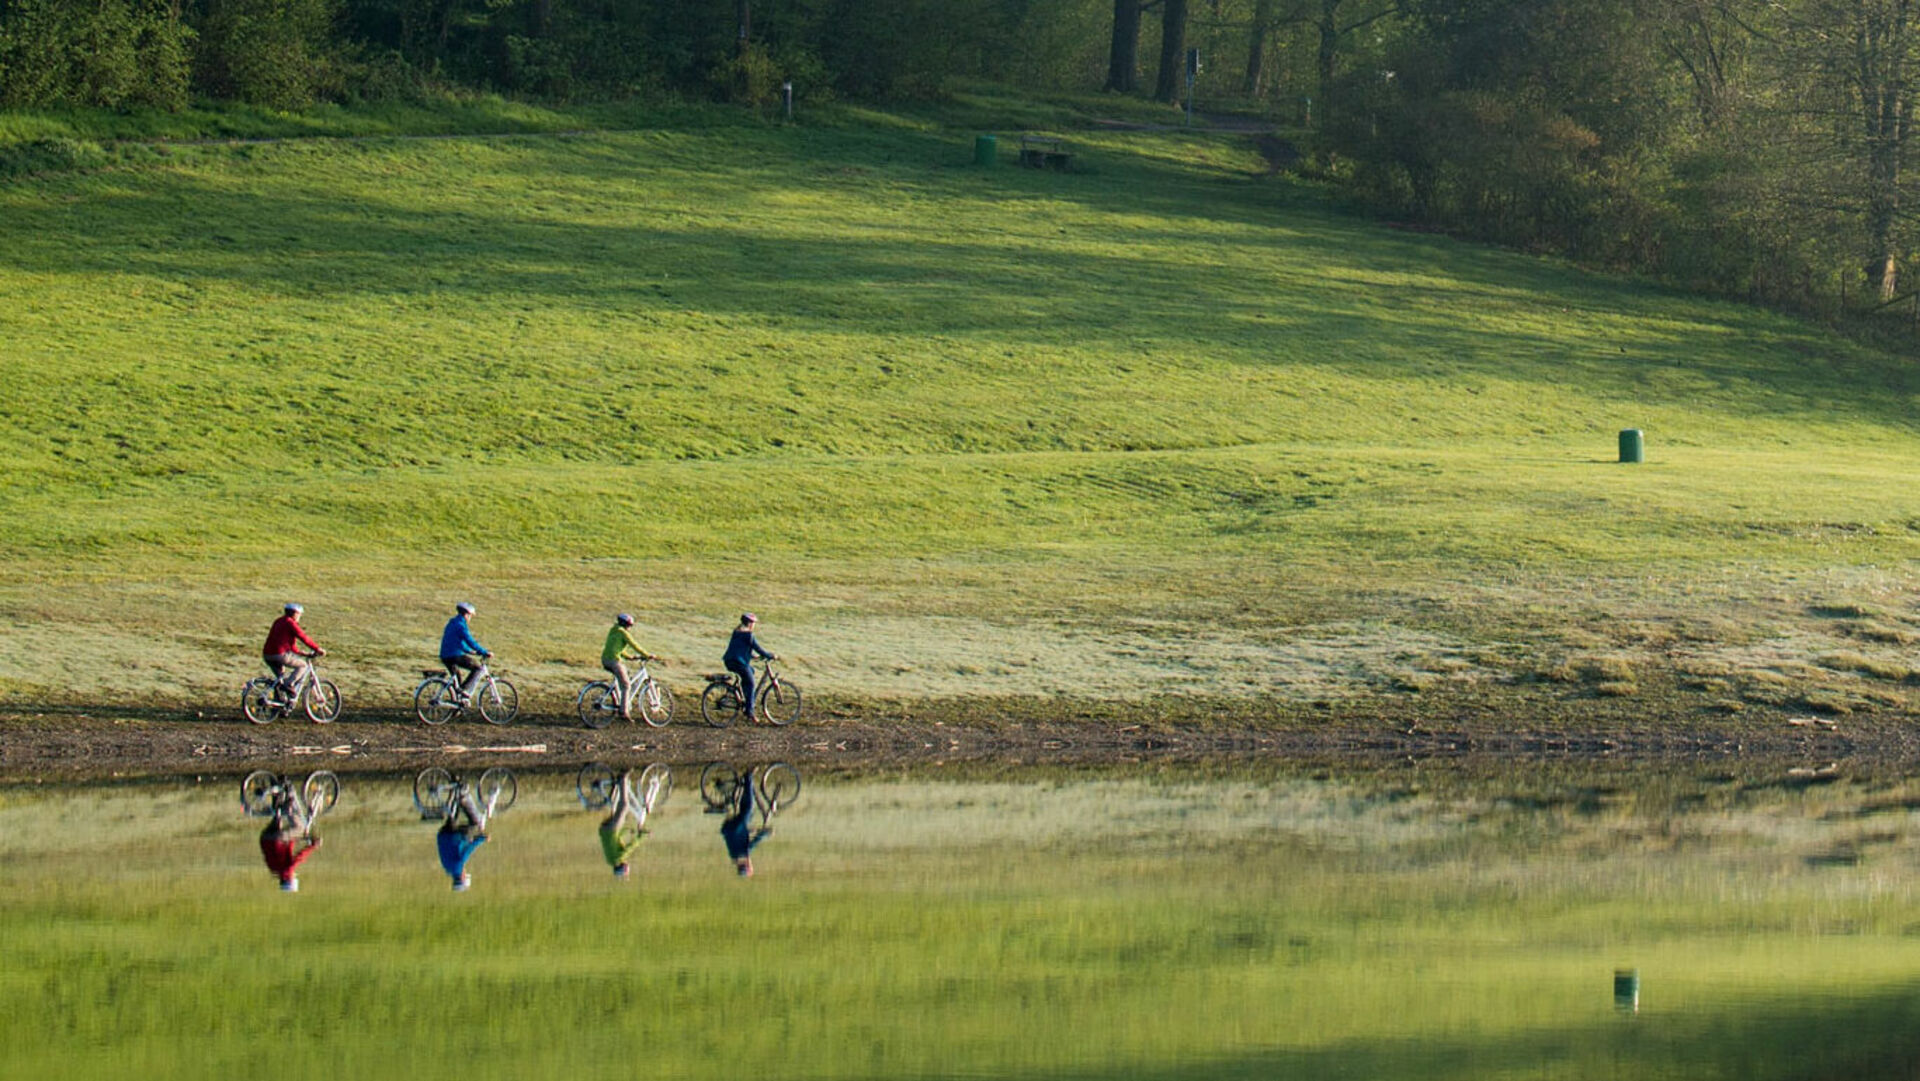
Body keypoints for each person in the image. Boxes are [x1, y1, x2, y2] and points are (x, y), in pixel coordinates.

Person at [259, 787, 320, 892]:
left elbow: (300, 856)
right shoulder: (274, 870)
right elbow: (285, 850)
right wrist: (295, 840)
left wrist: (313, 846)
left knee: (300, 828)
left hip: (277, 839)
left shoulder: (288, 870)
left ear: (290, 880)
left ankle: (290, 801)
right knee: (278, 816)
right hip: (265, 838)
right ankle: (276, 790)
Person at [263, 603, 325, 701]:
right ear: (295, 613)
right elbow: (303, 637)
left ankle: (280, 706)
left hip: (268, 655)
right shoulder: (290, 623)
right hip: (279, 654)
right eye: (299, 614)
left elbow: (290, 645)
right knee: (303, 666)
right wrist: (317, 649)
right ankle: (289, 685)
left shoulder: (279, 621)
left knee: (280, 680)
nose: (300, 616)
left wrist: (301, 653)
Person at [722, 613, 776, 720]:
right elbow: (758, 648)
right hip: (738, 662)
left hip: (730, 660)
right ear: (750, 623)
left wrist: (753, 656)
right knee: (751, 683)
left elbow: (739, 648)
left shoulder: (737, 631)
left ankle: (744, 697)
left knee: (750, 671)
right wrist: (769, 655)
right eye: (754, 623)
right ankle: (749, 711)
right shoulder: (748, 635)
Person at [602, 614, 654, 720]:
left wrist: (629, 657)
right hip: (614, 661)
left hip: (606, 660)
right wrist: (647, 655)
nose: (630, 628)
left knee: (625, 675)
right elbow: (634, 645)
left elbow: (615, 648)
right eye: (630, 625)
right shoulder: (623, 633)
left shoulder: (613, 630)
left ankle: (620, 701)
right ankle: (624, 712)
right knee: (626, 685)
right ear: (626, 624)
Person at [599, 770, 649, 879]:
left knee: (624, 807)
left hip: (611, 830)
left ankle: (623, 779)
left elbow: (631, 846)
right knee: (616, 809)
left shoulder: (619, 857)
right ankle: (615, 788)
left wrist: (642, 837)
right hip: (604, 830)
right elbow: (617, 838)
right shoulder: (610, 860)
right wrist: (627, 830)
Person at [437, 787, 488, 891]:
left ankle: (463, 797)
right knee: (453, 817)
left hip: (452, 836)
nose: (465, 871)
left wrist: (481, 838)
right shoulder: (448, 869)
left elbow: (469, 849)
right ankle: (456, 794)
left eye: (465, 875)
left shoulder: (459, 865)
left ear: (462, 877)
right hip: (442, 835)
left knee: (474, 824)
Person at [720, 773, 771, 877]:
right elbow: (740, 839)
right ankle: (739, 788)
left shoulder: (744, 854)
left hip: (735, 827)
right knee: (747, 816)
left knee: (748, 808)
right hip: (728, 828)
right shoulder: (734, 856)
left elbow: (756, 840)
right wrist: (752, 831)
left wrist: (766, 833)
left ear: (746, 865)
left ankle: (748, 778)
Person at [439, 602, 491, 702]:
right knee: (478, 669)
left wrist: (469, 651)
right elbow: (469, 640)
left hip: (445, 655)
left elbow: (458, 642)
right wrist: (483, 652)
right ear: (466, 614)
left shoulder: (453, 622)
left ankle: (457, 704)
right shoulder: (461, 625)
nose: (470, 618)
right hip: (454, 655)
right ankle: (464, 691)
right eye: (470, 616)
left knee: (457, 680)